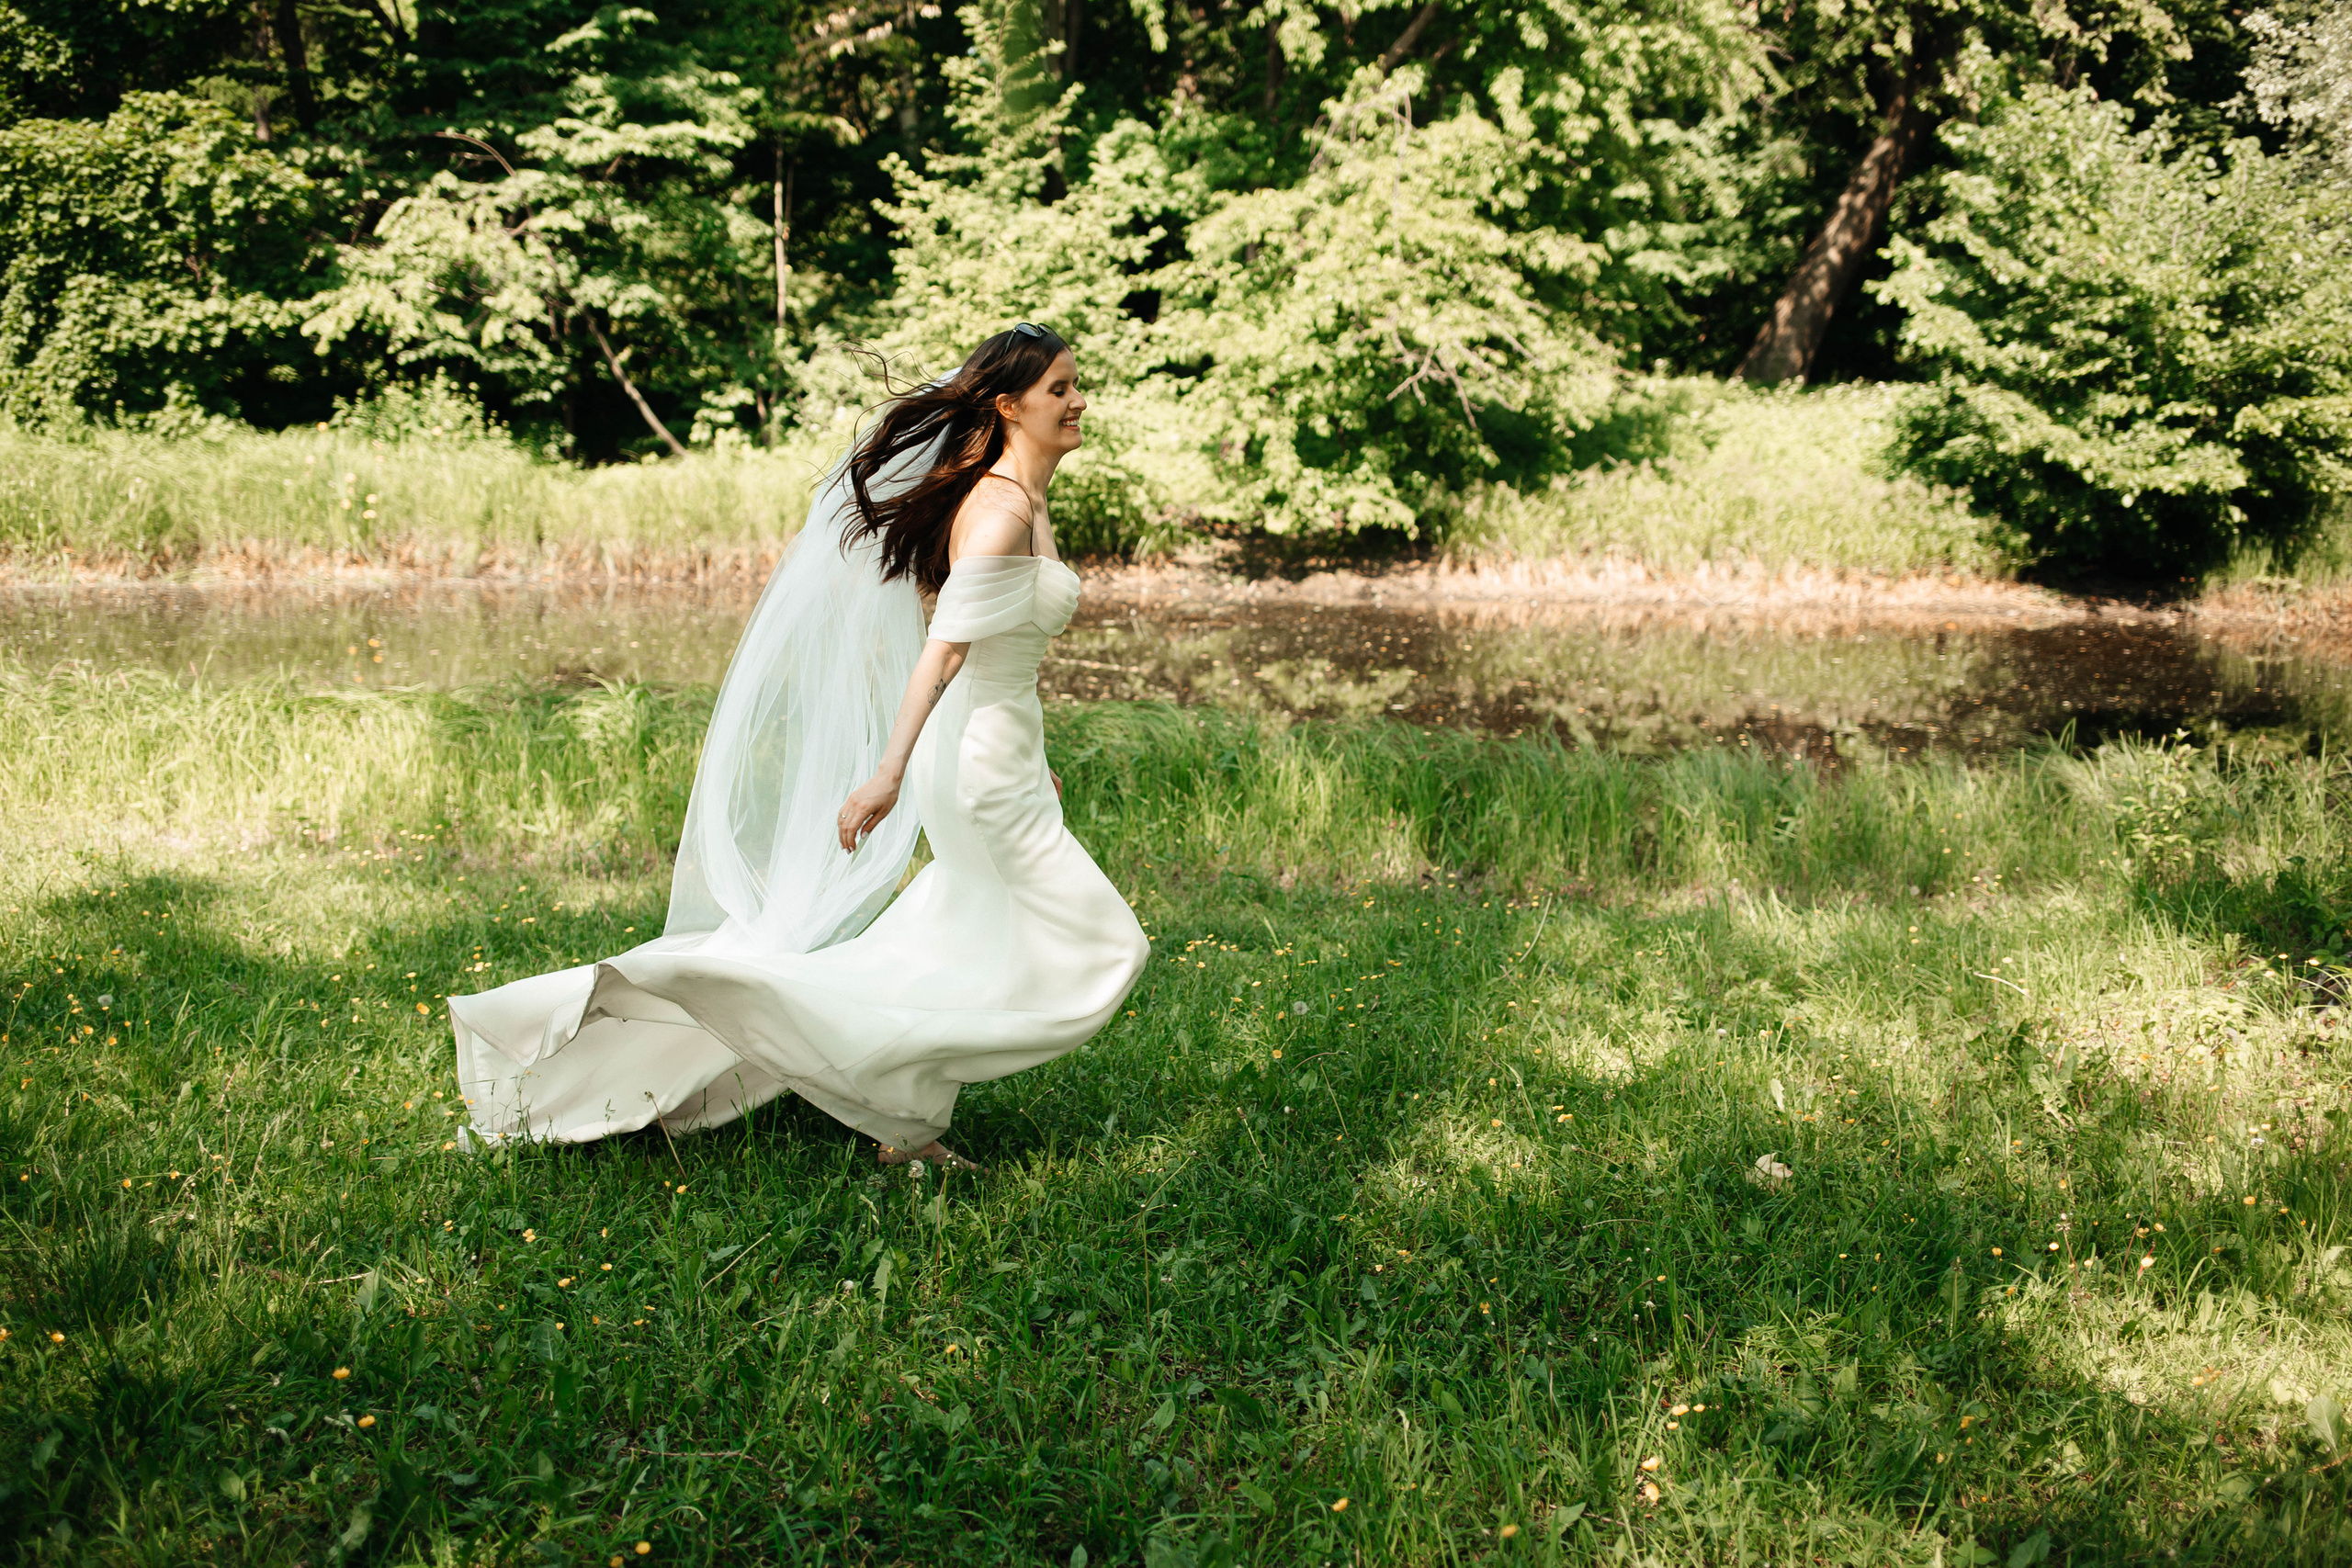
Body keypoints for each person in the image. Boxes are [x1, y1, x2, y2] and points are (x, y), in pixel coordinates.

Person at [449, 324, 1149, 1170]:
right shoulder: (999, 512)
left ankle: (907, 1121)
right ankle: (873, 1066)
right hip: (974, 765)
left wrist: (1028, 750)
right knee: (1110, 945)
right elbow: (946, 650)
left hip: (997, 750)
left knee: (969, 929)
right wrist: (888, 774)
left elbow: (998, 654)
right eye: (1060, 389)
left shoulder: (1026, 499)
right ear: (1009, 406)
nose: (1078, 401)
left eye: (1077, 384)